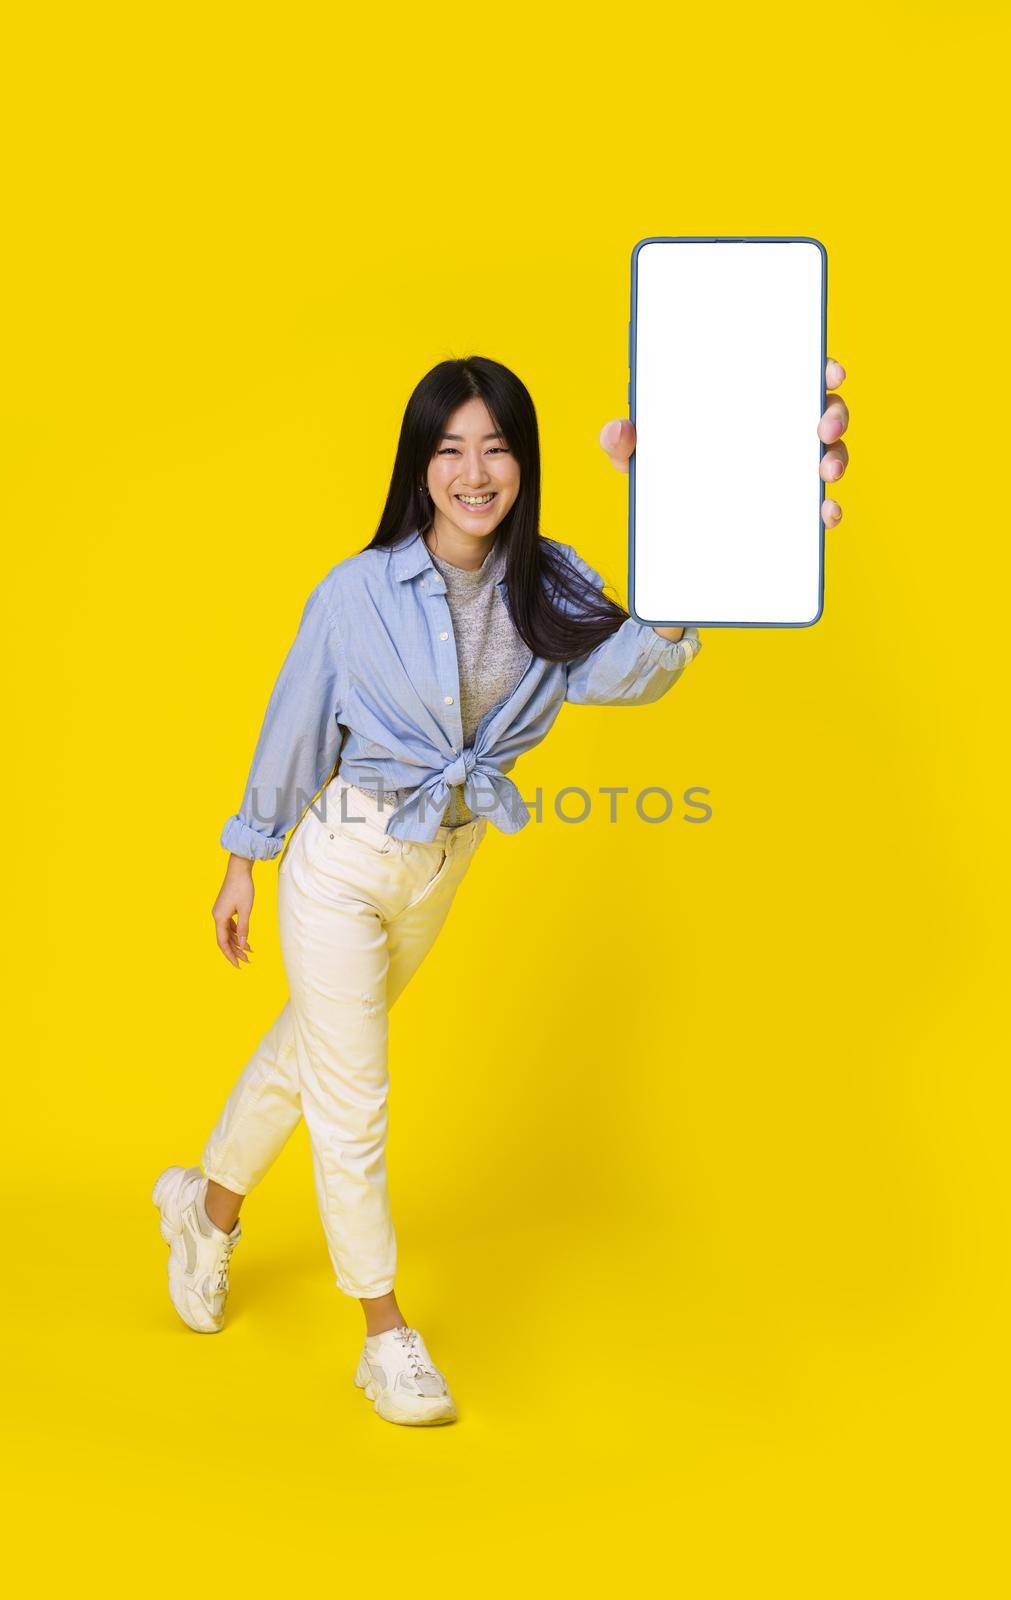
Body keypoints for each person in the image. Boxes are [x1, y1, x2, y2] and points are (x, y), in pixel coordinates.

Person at [153, 353, 850, 1426]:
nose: (474, 472)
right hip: (338, 856)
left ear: (522, 462)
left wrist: (699, 540)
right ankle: (384, 1334)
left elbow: (630, 672)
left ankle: (203, 1209)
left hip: (442, 861)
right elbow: (296, 723)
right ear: (418, 465)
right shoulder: (354, 592)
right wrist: (244, 856)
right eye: (449, 450)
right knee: (355, 1098)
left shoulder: (551, 581)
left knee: (307, 1055)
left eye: (496, 448)